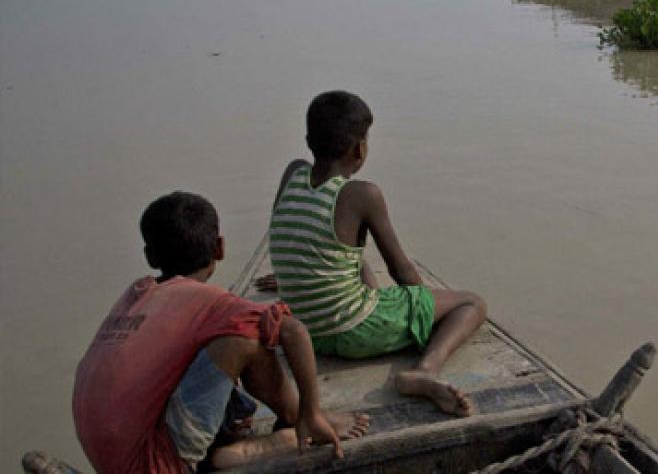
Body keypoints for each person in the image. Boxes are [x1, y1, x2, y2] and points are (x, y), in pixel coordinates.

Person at [73, 192, 370, 474]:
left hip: (105, 454)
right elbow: (294, 331)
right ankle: (297, 422)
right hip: (153, 463)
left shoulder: (137, 293)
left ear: (150, 256)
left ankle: (222, 447)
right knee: (246, 337)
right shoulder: (211, 303)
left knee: (212, 344)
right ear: (220, 248)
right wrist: (312, 411)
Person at [259, 90, 486, 417]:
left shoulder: (292, 172)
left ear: (309, 141)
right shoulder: (361, 194)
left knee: (358, 260)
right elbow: (402, 271)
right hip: (350, 331)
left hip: (306, 332)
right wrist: (422, 309)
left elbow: (298, 236)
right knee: (472, 303)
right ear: (359, 149)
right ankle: (425, 371)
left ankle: (376, 309)